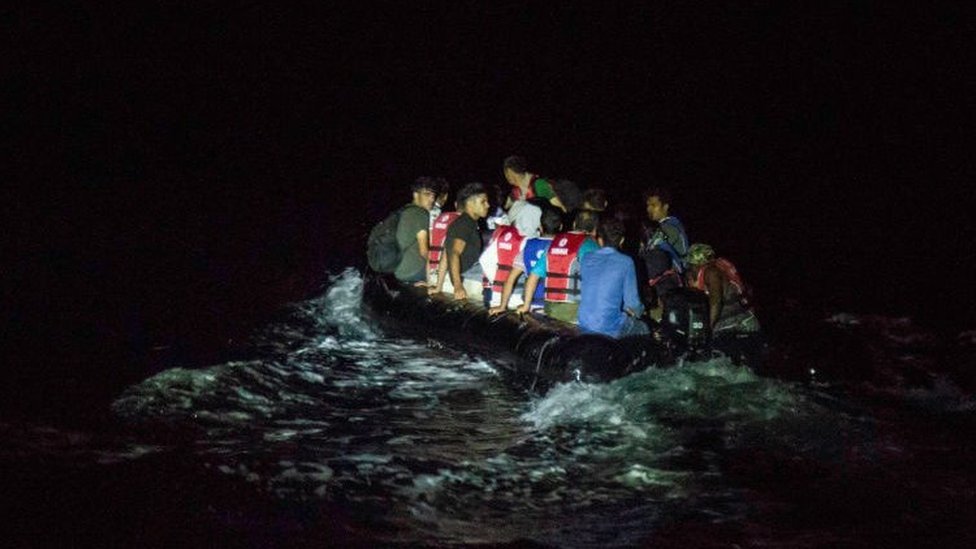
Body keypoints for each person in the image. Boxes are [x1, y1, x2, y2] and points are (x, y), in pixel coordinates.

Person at [515, 209, 599, 323]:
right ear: (594, 230)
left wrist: (526, 306)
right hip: (574, 311)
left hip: (550, 308)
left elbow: (533, 276)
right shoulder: (591, 245)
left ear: (574, 224)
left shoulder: (555, 242)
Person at [578, 217, 648, 338]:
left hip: (584, 324)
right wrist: (641, 310)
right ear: (622, 240)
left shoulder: (586, 258)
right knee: (644, 328)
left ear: (599, 240)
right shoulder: (626, 262)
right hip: (609, 328)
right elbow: (632, 303)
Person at [489, 206, 561, 314]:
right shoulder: (562, 248)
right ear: (561, 227)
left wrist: (502, 306)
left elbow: (510, 279)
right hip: (555, 305)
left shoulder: (529, 245)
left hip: (531, 304)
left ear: (540, 227)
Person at [429, 182, 491, 302]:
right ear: (470, 203)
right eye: (483, 201)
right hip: (469, 277)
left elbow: (446, 255)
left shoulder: (466, 222)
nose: (487, 205)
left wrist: (439, 286)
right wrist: (458, 286)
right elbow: (454, 253)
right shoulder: (465, 223)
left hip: (466, 274)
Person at [684, 243, 760, 335]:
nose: (690, 269)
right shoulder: (717, 268)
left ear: (696, 264)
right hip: (739, 321)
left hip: (736, 324)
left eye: (691, 265)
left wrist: (708, 328)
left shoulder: (711, 272)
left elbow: (716, 301)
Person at [479, 200, 542, 308]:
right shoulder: (527, 239)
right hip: (512, 295)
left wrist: (497, 283)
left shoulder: (501, 232)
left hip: (493, 291)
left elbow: (485, 260)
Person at [638, 187, 689, 316]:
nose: (649, 209)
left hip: (671, 287)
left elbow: (648, 253)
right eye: (648, 205)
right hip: (665, 286)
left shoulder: (669, 227)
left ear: (665, 206)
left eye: (654, 205)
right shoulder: (661, 227)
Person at [393, 177, 438, 284]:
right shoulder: (420, 214)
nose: (432, 199)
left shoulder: (405, 210)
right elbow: (424, 252)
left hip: (396, 268)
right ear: (416, 194)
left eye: (433, 195)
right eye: (427, 194)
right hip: (411, 271)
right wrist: (436, 270)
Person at [502, 156, 581, 213]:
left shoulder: (539, 185)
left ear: (510, 173)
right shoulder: (514, 192)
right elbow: (506, 211)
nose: (506, 176)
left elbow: (560, 209)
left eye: (506, 173)